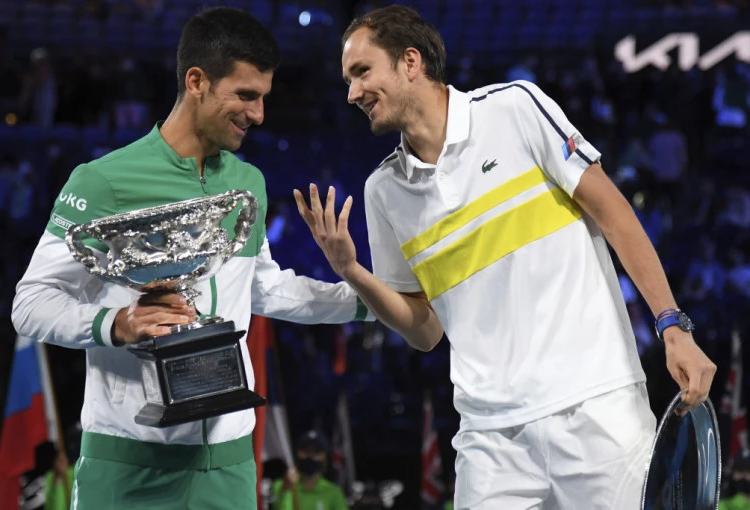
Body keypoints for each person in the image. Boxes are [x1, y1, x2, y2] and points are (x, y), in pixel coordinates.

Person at [293, 5, 717, 509]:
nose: (352, 93)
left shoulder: (514, 109)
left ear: (410, 62)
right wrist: (351, 271)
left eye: (362, 71)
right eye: (348, 80)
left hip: (596, 405)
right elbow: (425, 332)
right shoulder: (383, 191)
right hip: (490, 437)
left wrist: (672, 325)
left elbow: (614, 214)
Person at [11, 8, 370, 510]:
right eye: (245, 95)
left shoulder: (246, 184)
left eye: (263, 97)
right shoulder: (102, 181)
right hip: (127, 465)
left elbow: (263, 289)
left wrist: (372, 299)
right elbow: (30, 303)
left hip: (228, 467)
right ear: (196, 81)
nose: (258, 114)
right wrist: (116, 323)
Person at [271, 431, 349, 510]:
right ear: (297, 453)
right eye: (306, 451)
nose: (310, 456)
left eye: (316, 452)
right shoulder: (279, 486)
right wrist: (287, 490)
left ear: (325, 456)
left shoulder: (334, 492)